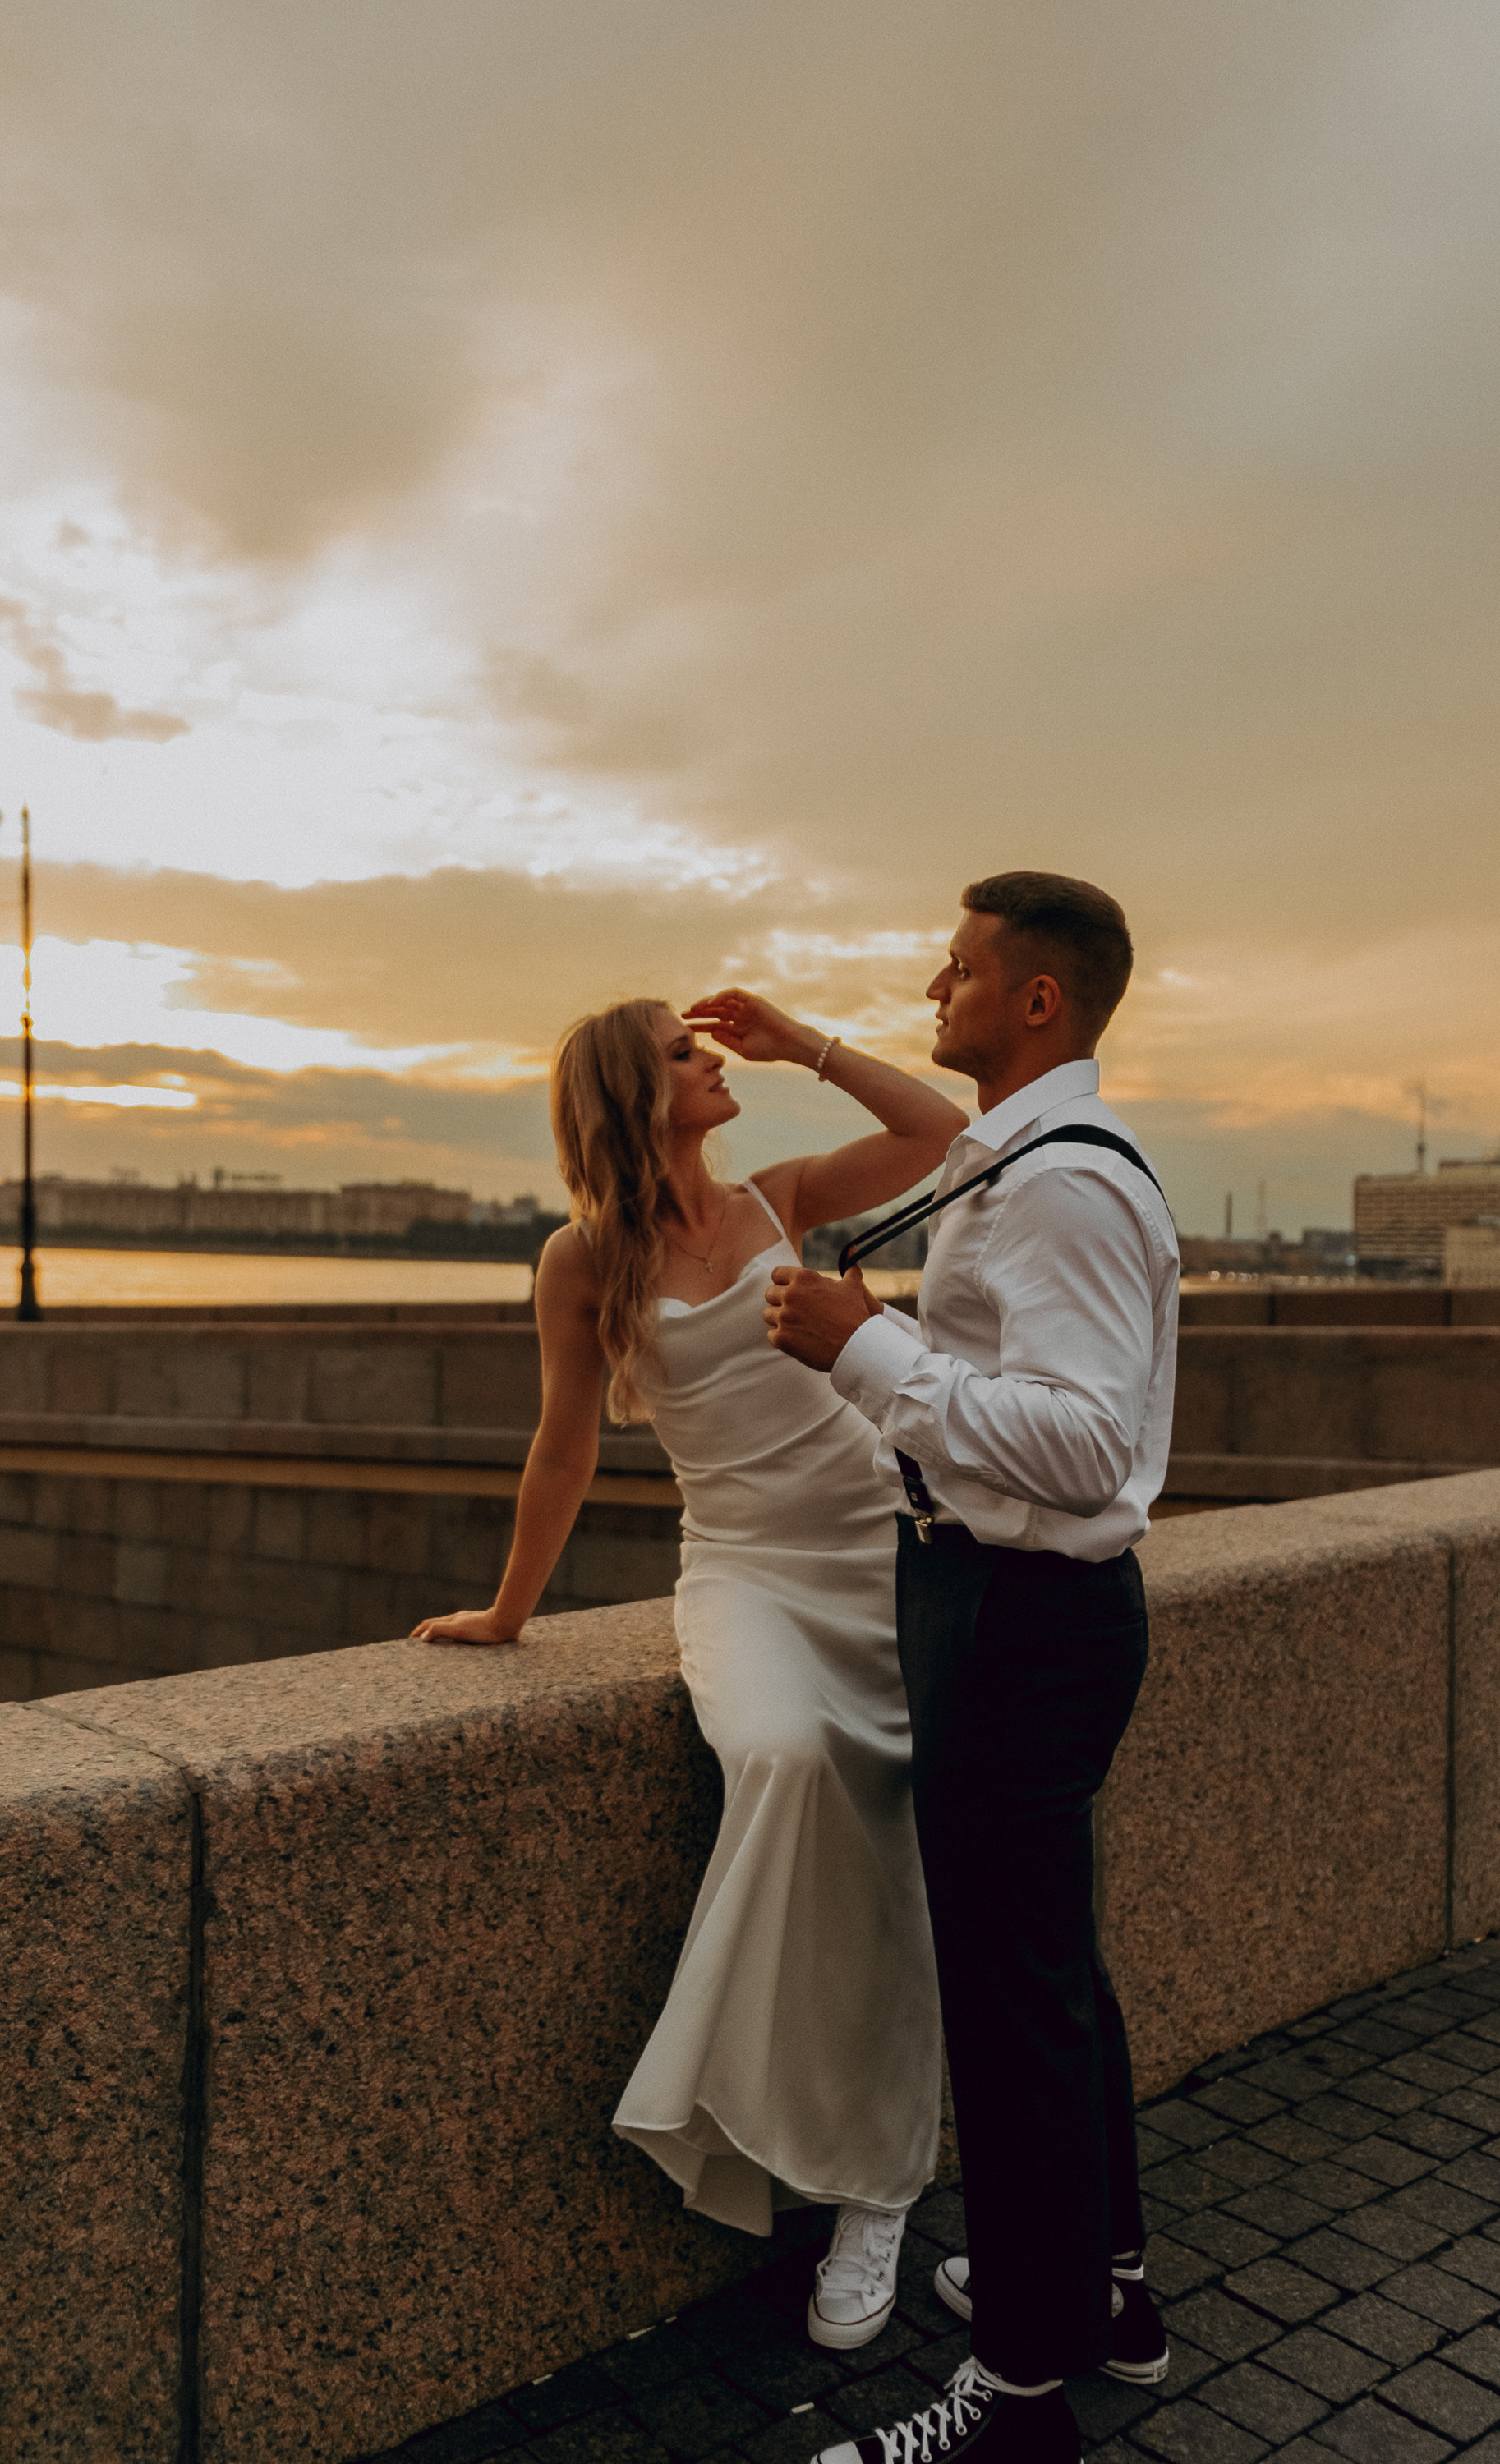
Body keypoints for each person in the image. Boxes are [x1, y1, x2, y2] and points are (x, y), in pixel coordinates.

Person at [412, 991, 967, 2348]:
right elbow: (564, 1448)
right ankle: (794, 2123)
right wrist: (505, 1611)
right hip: (744, 1573)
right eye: (685, 1051)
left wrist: (808, 1043)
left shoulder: (783, 1197)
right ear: (630, 1092)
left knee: (896, 1838)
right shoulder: (581, 1262)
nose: (715, 1058)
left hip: (877, 1550)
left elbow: (944, 1130)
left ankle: (874, 2186)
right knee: (781, 1756)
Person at [764, 873, 1180, 2464]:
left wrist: (860, 1351)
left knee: (1009, 2010)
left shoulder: (1065, 1187)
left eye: (960, 971)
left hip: (1015, 1613)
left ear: (1037, 1005)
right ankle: (1104, 2295)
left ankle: (1015, 2391)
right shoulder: (1016, 1156)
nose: (934, 983)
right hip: (1016, 1610)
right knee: (1051, 1975)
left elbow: (1080, 1447)